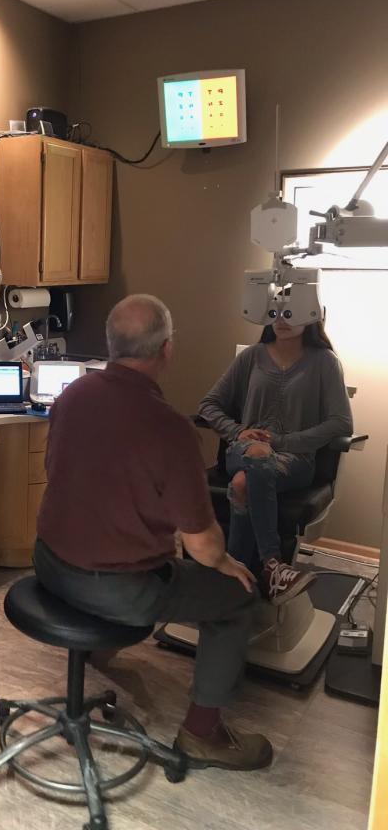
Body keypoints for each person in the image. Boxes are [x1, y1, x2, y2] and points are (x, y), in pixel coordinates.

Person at [34, 294, 272, 772]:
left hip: (49, 564)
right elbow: (203, 546)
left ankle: (97, 651)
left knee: (146, 560)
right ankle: (202, 734)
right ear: (166, 349)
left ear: (111, 344)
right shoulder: (171, 430)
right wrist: (227, 563)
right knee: (238, 595)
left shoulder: (70, 397)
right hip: (116, 589)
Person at [198, 316, 352, 603]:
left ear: (310, 316)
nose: (282, 319)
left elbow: (341, 422)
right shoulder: (252, 357)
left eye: (291, 312)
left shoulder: (325, 362)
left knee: (242, 484)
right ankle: (272, 565)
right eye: (276, 311)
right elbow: (208, 405)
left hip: (295, 461)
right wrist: (238, 431)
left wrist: (283, 442)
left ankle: (232, 587)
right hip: (243, 451)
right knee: (256, 455)